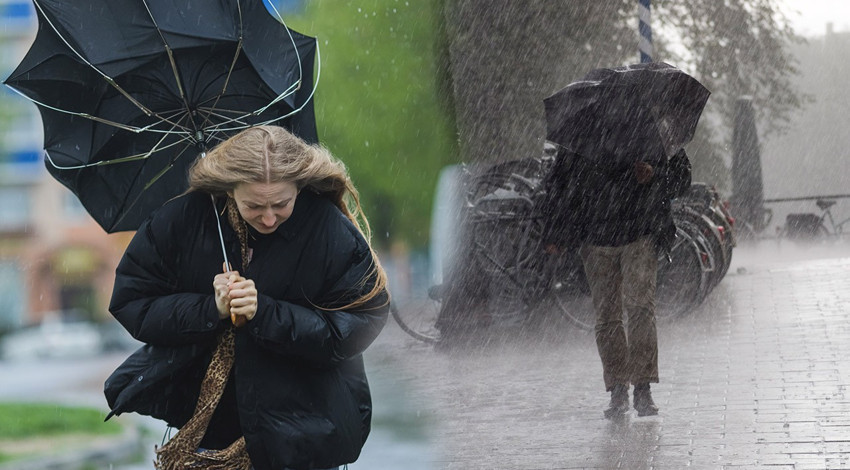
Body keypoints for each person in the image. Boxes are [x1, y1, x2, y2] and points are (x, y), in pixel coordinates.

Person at [103, 125, 390, 469]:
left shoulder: (327, 229)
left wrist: (266, 314)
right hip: (209, 435)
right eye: (254, 205)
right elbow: (133, 302)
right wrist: (210, 309)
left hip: (305, 434)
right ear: (229, 189)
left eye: (281, 204)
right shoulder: (184, 220)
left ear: (299, 186)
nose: (269, 217)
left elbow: (358, 325)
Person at [541, 137, 691, 419]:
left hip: (640, 233)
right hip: (595, 239)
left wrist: (654, 174)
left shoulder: (650, 128)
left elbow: (682, 178)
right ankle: (618, 389)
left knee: (640, 309)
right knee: (608, 316)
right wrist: (555, 231)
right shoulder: (584, 130)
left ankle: (643, 388)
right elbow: (559, 183)